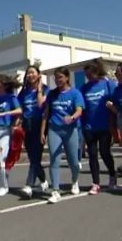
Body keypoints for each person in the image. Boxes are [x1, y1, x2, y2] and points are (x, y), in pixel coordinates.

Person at [41, 67, 84, 203]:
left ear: (67, 78)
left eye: (60, 77)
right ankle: (55, 190)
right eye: (55, 77)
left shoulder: (75, 93)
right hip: (54, 129)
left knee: (74, 162)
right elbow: (46, 114)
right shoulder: (52, 94)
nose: (57, 80)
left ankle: (75, 181)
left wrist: (72, 117)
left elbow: (79, 110)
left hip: (71, 130)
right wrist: (43, 132)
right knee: (54, 159)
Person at [80, 59, 117, 195]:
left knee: (105, 152)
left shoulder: (108, 84)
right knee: (92, 154)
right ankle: (96, 183)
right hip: (89, 127)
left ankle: (112, 177)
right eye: (86, 75)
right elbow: (81, 107)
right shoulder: (84, 88)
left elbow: (117, 101)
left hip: (105, 127)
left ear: (97, 72)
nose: (88, 77)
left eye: (90, 74)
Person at [18, 65, 49, 198]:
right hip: (27, 126)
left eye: (33, 73)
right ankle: (43, 180)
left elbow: (41, 105)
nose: (30, 75)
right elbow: (19, 109)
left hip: (40, 125)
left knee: (36, 156)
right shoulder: (23, 92)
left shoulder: (46, 90)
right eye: (28, 73)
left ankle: (28, 185)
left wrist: (40, 89)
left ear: (39, 75)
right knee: (33, 158)